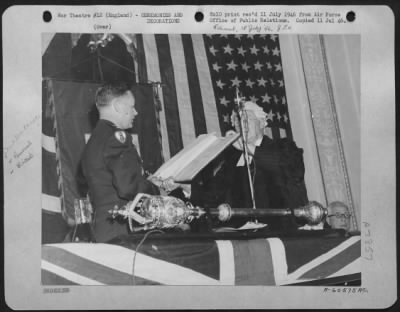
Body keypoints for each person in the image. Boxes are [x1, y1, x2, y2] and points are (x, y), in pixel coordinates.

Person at [81, 82, 181, 242]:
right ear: (119, 106)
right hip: (123, 228)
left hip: (104, 226)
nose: (135, 112)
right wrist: (159, 187)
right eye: (132, 106)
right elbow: (128, 187)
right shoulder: (116, 138)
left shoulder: (95, 140)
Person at [221, 101, 308, 231]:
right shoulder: (230, 160)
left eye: (247, 119)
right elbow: (217, 194)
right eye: (237, 121)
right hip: (242, 235)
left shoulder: (284, 147)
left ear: (262, 123)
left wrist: (248, 148)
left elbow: (290, 169)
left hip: (282, 231)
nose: (241, 124)